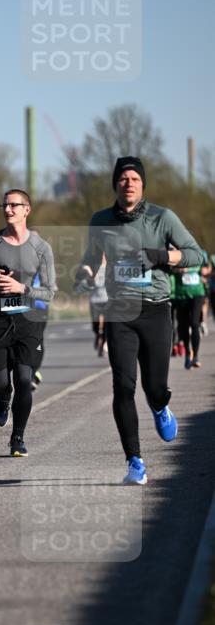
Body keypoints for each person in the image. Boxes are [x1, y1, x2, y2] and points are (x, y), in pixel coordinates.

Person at [75, 156, 202, 486]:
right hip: (120, 311)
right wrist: (85, 273)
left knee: (154, 386)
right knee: (124, 385)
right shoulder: (100, 220)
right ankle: (135, 461)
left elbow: (195, 254)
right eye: (122, 178)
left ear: (142, 184)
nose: (128, 182)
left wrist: (160, 256)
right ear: (114, 184)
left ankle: (161, 407)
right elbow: (92, 258)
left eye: (134, 178)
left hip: (157, 308)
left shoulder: (163, 218)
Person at [0, 190, 57, 457]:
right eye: (4, 205)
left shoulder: (41, 248)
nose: (8, 209)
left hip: (27, 322)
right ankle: (3, 398)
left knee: (24, 378)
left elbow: (50, 292)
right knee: (0, 383)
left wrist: (22, 287)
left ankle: (17, 438)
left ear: (26, 209)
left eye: (14, 205)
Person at [173, 248, 209, 369]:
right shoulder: (176, 254)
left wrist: (205, 271)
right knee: (183, 326)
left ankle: (196, 356)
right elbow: (168, 269)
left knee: (194, 323)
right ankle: (188, 353)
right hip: (181, 295)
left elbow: (207, 268)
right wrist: (178, 269)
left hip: (197, 293)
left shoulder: (200, 253)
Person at [89, 257, 109, 357]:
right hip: (95, 300)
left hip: (107, 299)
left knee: (106, 325)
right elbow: (90, 283)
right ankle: (98, 336)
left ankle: (103, 345)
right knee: (95, 325)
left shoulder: (111, 267)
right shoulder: (93, 267)